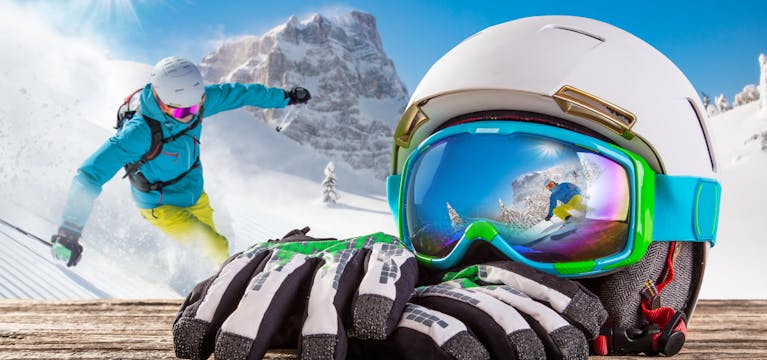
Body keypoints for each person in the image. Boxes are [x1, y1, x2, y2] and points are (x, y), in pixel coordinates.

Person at [50, 56, 311, 267]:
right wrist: (69, 232)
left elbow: (240, 93)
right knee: (216, 248)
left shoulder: (196, 102)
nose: (189, 115)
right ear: (162, 103)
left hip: (195, 193)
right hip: (160, 205)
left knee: (216, 251)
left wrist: (285, 97)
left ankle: (210, 282)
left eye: (196, 107)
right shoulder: (138, 133)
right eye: (180, 110)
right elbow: (89, 175)